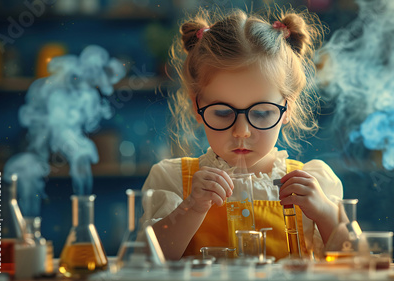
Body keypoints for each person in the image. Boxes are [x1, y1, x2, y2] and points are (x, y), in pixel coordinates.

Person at [140, 7, 343, 261]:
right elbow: (146, 262)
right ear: (197, 107)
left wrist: (324, 212)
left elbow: (355, 262)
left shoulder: (316, 183)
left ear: (287, 109)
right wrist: (192, 207)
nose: (242, 131)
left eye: (261, 113)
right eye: (223, 112)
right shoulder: (171, 180)